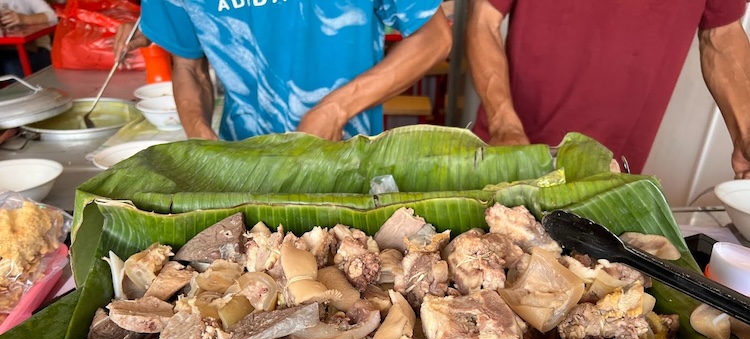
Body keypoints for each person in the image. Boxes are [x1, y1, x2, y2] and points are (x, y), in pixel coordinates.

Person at [466, 0, 750, 177]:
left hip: (614, 172)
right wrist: (505, 125)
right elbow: (483, 19)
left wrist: (746, 134)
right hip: (511, 153)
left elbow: (721, 34)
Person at [138, 1, 452, 141]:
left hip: (345, 155)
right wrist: (200, 135)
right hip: (243, 163)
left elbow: (435, 37)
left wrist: (335, 109)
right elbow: (188, 67)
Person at [0, 0, 57, 76]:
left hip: (36, 49)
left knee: (12, 64)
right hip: (5, 50)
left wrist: (24, 19)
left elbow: (53, 17)